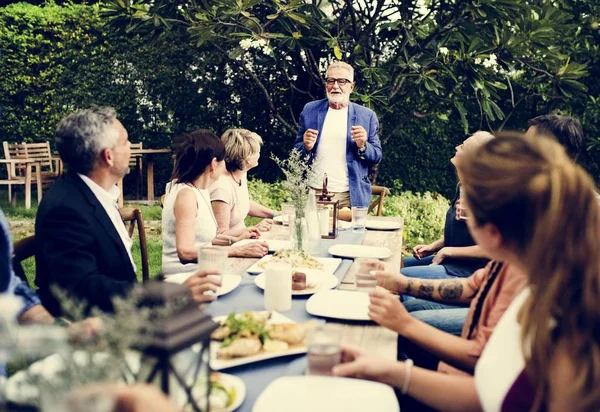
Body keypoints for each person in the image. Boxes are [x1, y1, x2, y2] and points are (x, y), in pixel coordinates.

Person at [334, 132, 600, 411]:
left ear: (492, 233)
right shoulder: (539, 287)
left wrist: (405, 325)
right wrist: (386, 370)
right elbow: (486, 394)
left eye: (468, 199)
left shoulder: (570, 330)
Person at [35, 107, 220, 315]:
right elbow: (83, 288)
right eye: (125, 141)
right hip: (101, 329)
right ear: (108, 156)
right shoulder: (65, 210)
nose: (130, 146)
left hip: (124, 315)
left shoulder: (94, 193)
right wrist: (163, 293)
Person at [162, 129, 269, 277]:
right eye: (223, 160)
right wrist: (237, 250)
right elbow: (185, 252)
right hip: (186, 281)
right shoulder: (186, 195)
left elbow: (203, 239)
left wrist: (237, 237)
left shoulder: (199, 190)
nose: (226, 165)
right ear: (213, 164)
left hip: (207, 272)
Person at [293, 61, 382, 208]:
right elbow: (296, 151)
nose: (335, 86)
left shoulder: (366, 116)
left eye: (342, 81)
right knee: (311, 231)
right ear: (326, 84)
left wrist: (363, 146)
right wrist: (306, 146)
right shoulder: (310, 110)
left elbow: (377, 156)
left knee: (350, 232)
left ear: (351, 87)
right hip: (313, 193)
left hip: (350, 195)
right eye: (331, 80)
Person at [210, 128, 277, 233]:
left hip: (243, 241)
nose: (259, 153)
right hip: (230, 247)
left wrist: (275, 214)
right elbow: (220, 234)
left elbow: (242, 204)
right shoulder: (221, 188)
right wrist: (251, 230)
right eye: (257, 151)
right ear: (247, 158)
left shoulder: (240, 174)